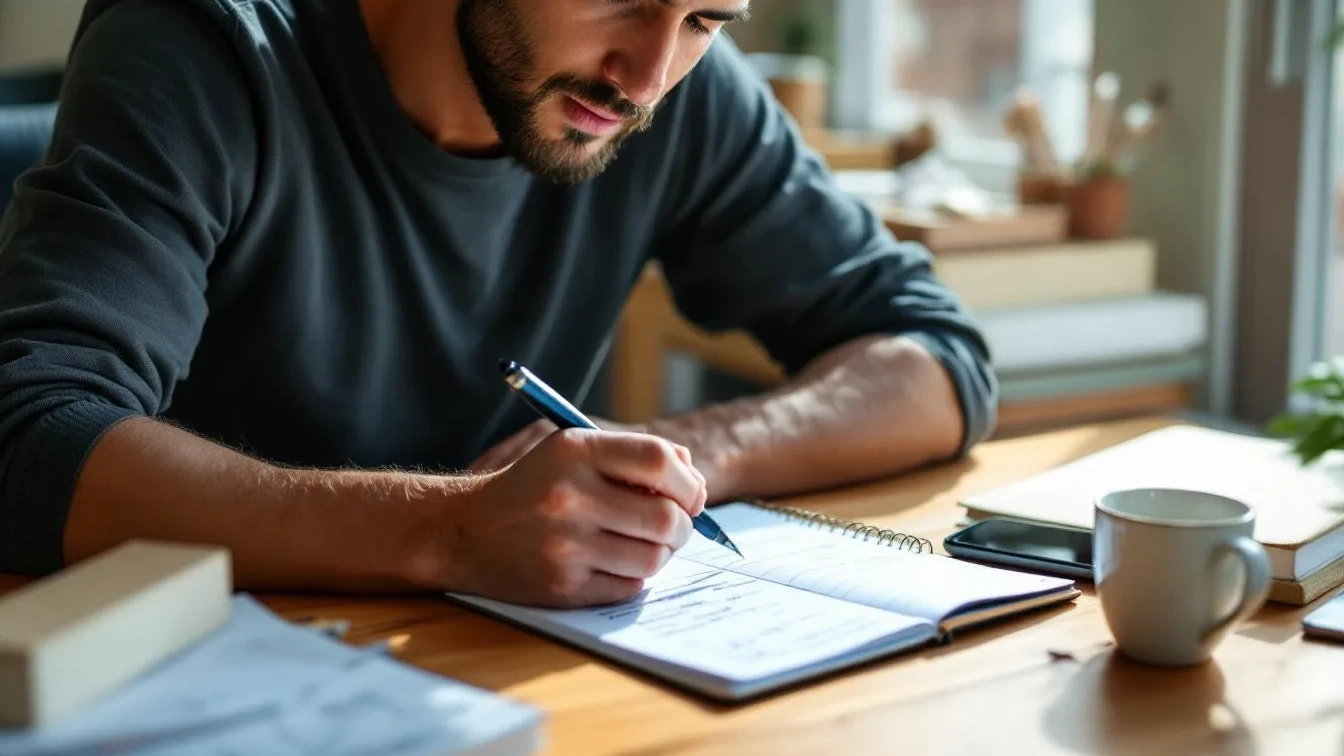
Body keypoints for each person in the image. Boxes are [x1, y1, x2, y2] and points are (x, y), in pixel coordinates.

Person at [0, 0, 996, 607]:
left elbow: (936, 359)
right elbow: (27, 437)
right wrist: (452, 531)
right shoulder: (202, 44)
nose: (648, 78)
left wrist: (677, 458)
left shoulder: (677, 96)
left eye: (704, 21)